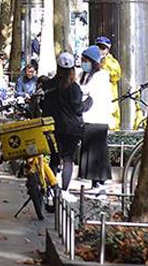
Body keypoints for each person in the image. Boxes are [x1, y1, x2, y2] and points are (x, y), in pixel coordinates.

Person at [40, 53, 88, 202]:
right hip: (71, 130)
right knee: (68, 160)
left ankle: (52, 190)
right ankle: (65, 191)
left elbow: (43, 105)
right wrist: (89, 102)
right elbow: (78, 108)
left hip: (52, 128)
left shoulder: (49, 85)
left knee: (54, 160)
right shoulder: (73, 87)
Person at [79, 45, 114, 198]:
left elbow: (87, 92)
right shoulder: (85, 75)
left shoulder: (101, 77)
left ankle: (100, 185)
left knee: (99, 152)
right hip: (88, 120)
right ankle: (94, 183)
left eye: (85, 60)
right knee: (90, 152)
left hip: (98, 119)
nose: (82, 63)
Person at [96, 36, 122, 131]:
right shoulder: (92, 60)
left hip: (109, 99)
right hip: (96, 100)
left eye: (103, 48)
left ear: (108, 49)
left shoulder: (112, 63)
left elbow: (115, 75)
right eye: (98, 47)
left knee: (111, 124)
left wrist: (103, 66)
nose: (100, 50)